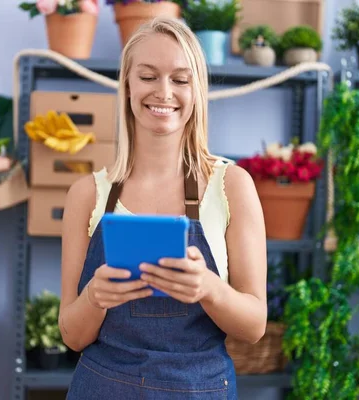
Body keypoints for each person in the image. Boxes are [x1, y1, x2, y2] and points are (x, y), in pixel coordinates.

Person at [59, 17, 268, 399]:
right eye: (148, 76)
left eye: (180, 79)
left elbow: (254, 326)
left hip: (198, 389)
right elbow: (72, 336)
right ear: (126, 85)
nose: (163, 91)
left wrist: (208, 288)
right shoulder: (87, 195)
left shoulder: (231, 186)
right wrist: (94, 297)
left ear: (197, 89)